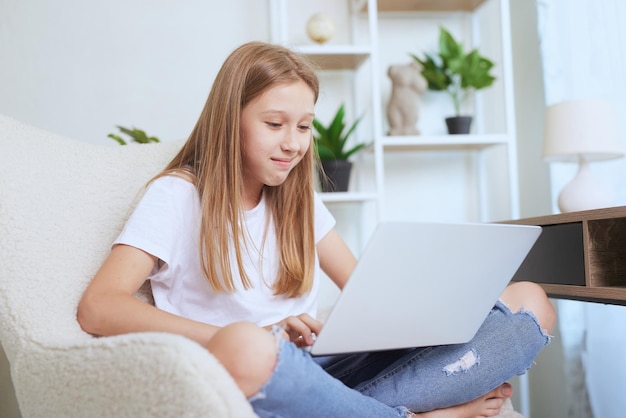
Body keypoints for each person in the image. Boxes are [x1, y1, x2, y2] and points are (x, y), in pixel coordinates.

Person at [77, 41, 555, 418]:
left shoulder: (297, 202)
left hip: (329, 371)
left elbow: (368, 295)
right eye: (274, 123)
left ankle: (368, 409)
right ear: (230, 121)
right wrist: (250, 333)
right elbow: (99, 306)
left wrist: (432, 310)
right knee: (246, 344)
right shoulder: (179, 196)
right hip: (262, 369)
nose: (293, 144)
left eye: (304, 127)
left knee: (529, 301)